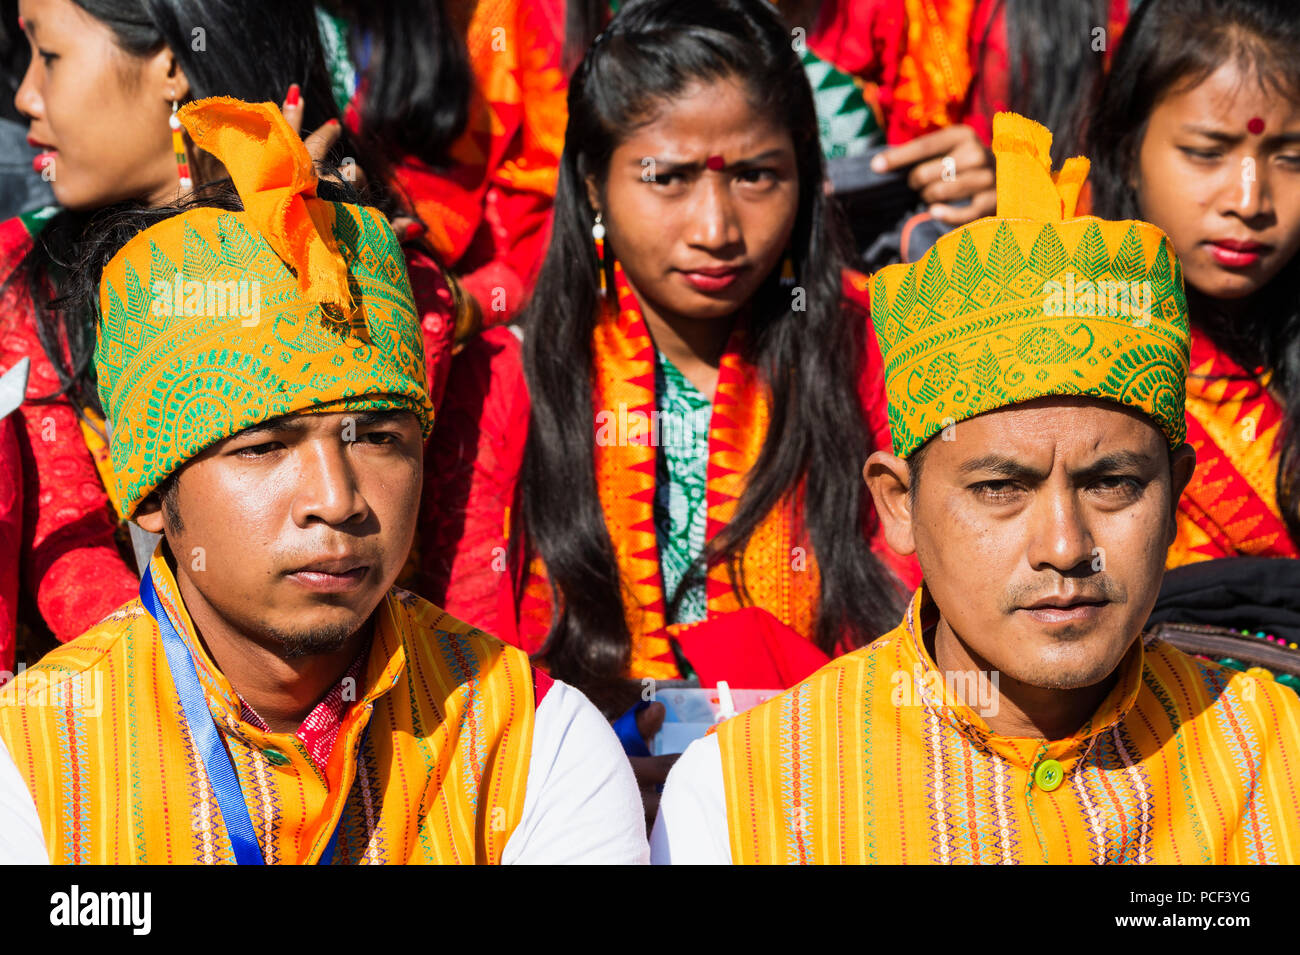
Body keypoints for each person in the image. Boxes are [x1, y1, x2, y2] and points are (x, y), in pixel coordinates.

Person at [0, 98, 646, 865]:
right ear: (148, 490)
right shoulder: (33, 761)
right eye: (265, 447)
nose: (337, 499)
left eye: (377, 437)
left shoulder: (536, 743)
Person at [652, 112, 1300, 864]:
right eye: (1000, 488)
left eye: (1113, 482)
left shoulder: (1276, 756)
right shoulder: (749, 792)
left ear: (1175, 493)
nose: (1065, 546)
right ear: (899, 505)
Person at [421, 0, 916, 696]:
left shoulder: (877, 351)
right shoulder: (506, 381)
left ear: (805, 177)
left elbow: (915, 624)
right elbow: (469, 658)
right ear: (594, 184)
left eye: (755, 176)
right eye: (668, 178)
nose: (715, 227)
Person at [0, 0, 464, 671]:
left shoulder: (366, 266)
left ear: (169, 64)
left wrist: (263, 262)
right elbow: (72, 575)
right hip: (121, 729)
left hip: (371, 710)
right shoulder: (27, 280)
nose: (25, 97)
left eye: (50, 56)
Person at [1089, 0, 1300, 566]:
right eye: (1207, 154)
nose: (1248, 202)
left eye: (1292, 159)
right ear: (1125, 150)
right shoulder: (1058, 330)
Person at [319, 0, 568, 324]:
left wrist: (453, 309)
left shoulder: (539, 14)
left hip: (496, 314)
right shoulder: (389, 26)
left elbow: (551, 213)